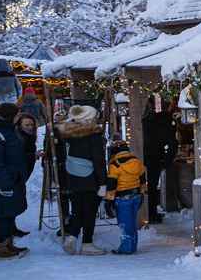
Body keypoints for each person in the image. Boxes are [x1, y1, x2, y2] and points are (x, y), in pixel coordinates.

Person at [57, 105, 109, 255]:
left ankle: (72, 238)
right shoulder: (94, 136)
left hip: (73, 176)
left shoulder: (69, 134)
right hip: (90, 178)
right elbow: (98, 160)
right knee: (90, 212)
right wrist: (103, 183)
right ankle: (87, 243)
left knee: (78, 210)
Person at [0, 103, 28, 260]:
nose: (19, 118)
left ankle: (7, 244)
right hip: (0, 183)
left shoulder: (9, 130)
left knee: (9, 213)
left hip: (13, 179)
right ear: (8, 115)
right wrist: (4, 183)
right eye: (17, 115)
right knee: (1, 215)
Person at [142, 98, 179, 223]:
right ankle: (151, 213)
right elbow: (172, 148)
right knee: (152, 186)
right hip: (156, 157)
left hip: (142, 156)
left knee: (142, 185)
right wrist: (166, 163)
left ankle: (143, 211)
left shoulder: (147, 122)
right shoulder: (169, 128)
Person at [105, 140, 145, 255]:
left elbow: (112, 185)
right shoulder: (136, 161)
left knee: (124, 223)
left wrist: (108, 201)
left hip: (123, 198)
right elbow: (143, 179)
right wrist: (142, 194)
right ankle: (132, 246)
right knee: (132, 221)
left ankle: (126, 248)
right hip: (136, 196)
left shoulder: (115, 164)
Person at [5, 112, 39, 240]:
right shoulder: (18, 137)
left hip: (23, 172)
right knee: (11, 201)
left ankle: (11, 227)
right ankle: (9, 229)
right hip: (16, 173)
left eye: (32, 125)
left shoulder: (28, 135)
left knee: (15, 200)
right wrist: (34, 156)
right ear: (20, 125)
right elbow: (16, 157)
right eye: (27, 125)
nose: (30, 127)